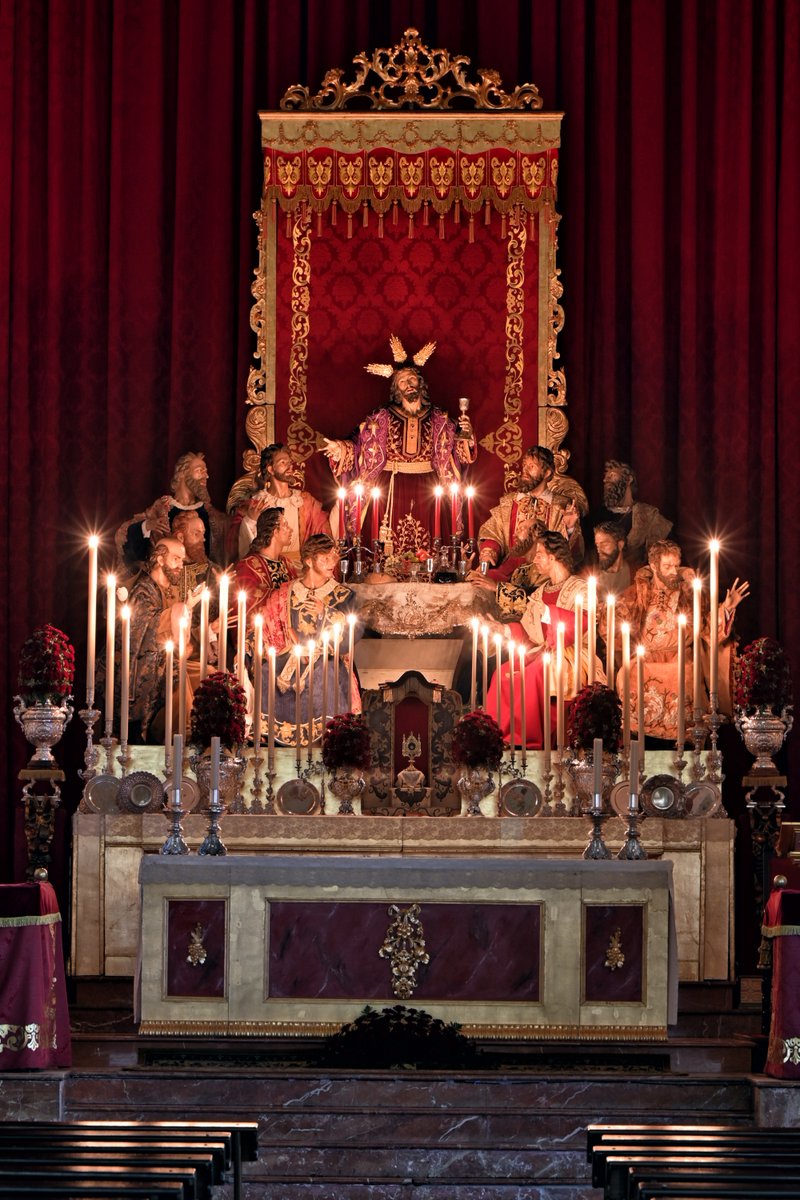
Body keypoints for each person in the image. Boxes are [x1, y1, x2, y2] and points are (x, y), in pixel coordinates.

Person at [321, 336, 476, 554]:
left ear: (420, 384)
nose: (408, 385)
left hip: (429, 490)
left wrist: (467, 438)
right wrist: (341, 449)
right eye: (402, 382)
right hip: (389, 489)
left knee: (430, 544)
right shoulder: (381, 417)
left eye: (412, 380)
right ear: (396, 389)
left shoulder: (440, 418)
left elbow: (457, 452)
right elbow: (358, 444)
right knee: (386, 546)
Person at [617, 540, 749, 740]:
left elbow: (708, 628)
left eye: (676, 566)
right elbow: (616, 625)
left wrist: (727, 608)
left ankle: (686, 741)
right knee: (627, 674)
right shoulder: (636, 593)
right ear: (654, 566)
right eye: (667, 566)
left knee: (687, 676)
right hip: (646, 660)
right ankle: (637, 739)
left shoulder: (689, 594)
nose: (673, 571)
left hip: (680, 660)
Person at [484, 531, 605, 749]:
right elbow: (529, 633)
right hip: (542, 652)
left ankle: (528, 741)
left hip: (573, 654)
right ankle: (501, 736)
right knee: (503, 672)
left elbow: (583, 623)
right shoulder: (539, 593)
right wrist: (502, 629)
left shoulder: (581, 588)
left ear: (554, 556)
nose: (534, 559)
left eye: (540, 554)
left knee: (533, 674)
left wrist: (549, 613)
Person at [260, 533, 361, 746]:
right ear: (309, 561)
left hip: (326, 656)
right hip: (289, 654)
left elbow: (354, 632)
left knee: (325, 674)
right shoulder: (286, 593)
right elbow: (268, 622)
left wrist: (327, 613)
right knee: (266, 671)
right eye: (324, 559)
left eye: (333, 558)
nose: (331, 563)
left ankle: (326, 741)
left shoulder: (343, 595)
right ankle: (277, 743)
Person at [477, 445, 586, 580]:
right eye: (524, 465)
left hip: (544, 577)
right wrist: (489, 551)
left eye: (532, 466)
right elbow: (493, 531)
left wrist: (570, 529)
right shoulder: (509, 503)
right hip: (507, 573)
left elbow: (570, 554)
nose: (524, 471)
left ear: (547, 473)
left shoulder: (561, 507)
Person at [116, 451, 227, 575]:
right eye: (200, 470)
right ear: (183, 474)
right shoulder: (161, 508)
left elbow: (227, 541)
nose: (206, 476)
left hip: (202, 583)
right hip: (165, 584)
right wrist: (147, 526)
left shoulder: (211, 515)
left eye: (205, 471)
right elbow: (124, 536)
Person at [127, 537, 194, 742]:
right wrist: (179, 610)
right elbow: (140, 631)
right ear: (160, 559)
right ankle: (181, 735)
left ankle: (202, 732)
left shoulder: (171, 591)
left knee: (209, 674)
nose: (180, 566)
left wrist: (186, 610)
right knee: (180, 680)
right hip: (143, 662)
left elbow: (180, 637)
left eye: (182, 561)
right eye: (176, 559)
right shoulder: (144, 590)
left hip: (168, 657)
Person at [227, 443, 332, 565]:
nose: (290, 467)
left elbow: (324, 533)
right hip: (269, 568)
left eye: (289, 462)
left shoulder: (305, 501)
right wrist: (250, 520)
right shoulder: (256, 503)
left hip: (301, 569)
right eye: (283, 463)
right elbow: (235, 545)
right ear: (271, 469)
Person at [586, 460, 672, 568]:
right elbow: (583, 555)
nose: (605, 480)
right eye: (605, 477)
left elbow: (663, 555)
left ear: (628, 479)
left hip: (636, 579)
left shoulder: (649, 515)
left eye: (612, 475)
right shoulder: (595, 517)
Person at [234, 507, 296, 614]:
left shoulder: (288, 564)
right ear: (275, 531)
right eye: (285, 525)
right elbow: (245, 606)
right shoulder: (248, 567)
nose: (291, 529)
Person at [589, 520, 631, 599]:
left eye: (604, 544)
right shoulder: (590, 574)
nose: (599, 550)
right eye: (597, 545)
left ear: (620, 545)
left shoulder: (636, 574)